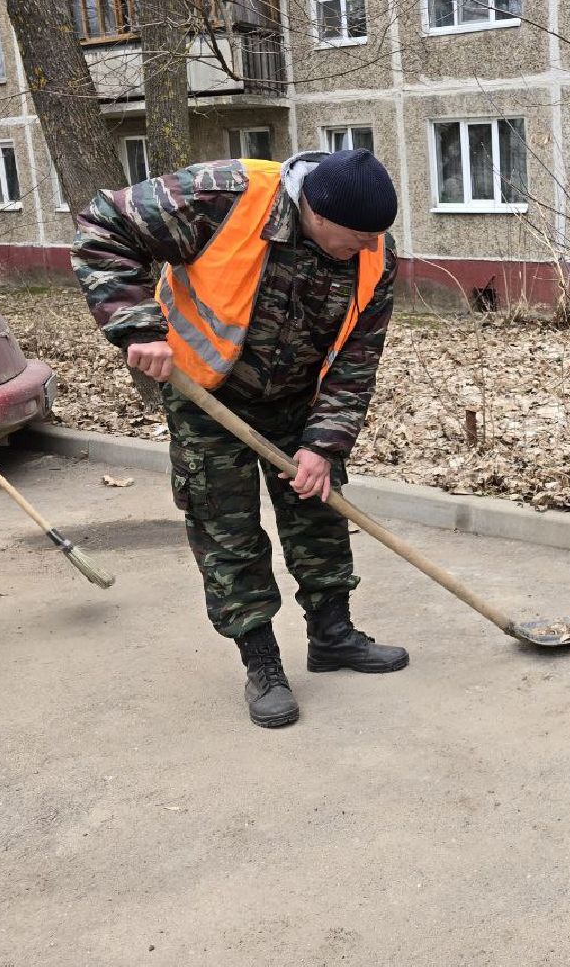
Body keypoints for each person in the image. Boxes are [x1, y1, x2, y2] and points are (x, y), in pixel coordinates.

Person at [71, 149, 407, 728]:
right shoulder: (224, 194)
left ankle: (332, 636)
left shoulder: (374, 255)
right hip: (206, 391)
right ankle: (262, 664)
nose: (368, 249)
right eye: (356, 238)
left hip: (299, 399)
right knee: (227, 530)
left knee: (317, 509)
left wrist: (323, 445)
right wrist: (136, 327)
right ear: (315, 212)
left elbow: (357, 359)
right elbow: (104, 222)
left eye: (375, 237)